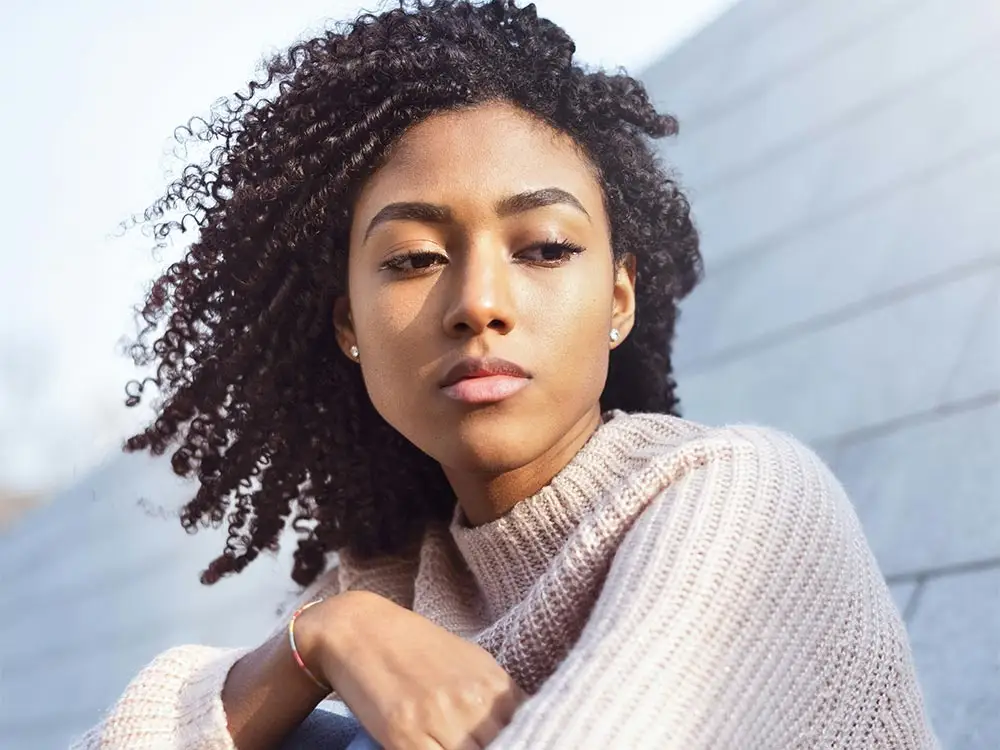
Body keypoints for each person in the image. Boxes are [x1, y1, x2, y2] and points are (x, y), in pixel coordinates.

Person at [72, 1, 938, 748]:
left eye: (546, 248)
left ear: (619, 300)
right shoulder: (389, 580)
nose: (478, 303)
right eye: (413, 258)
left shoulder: (742, 502)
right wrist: (323, 634)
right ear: (348, 326)